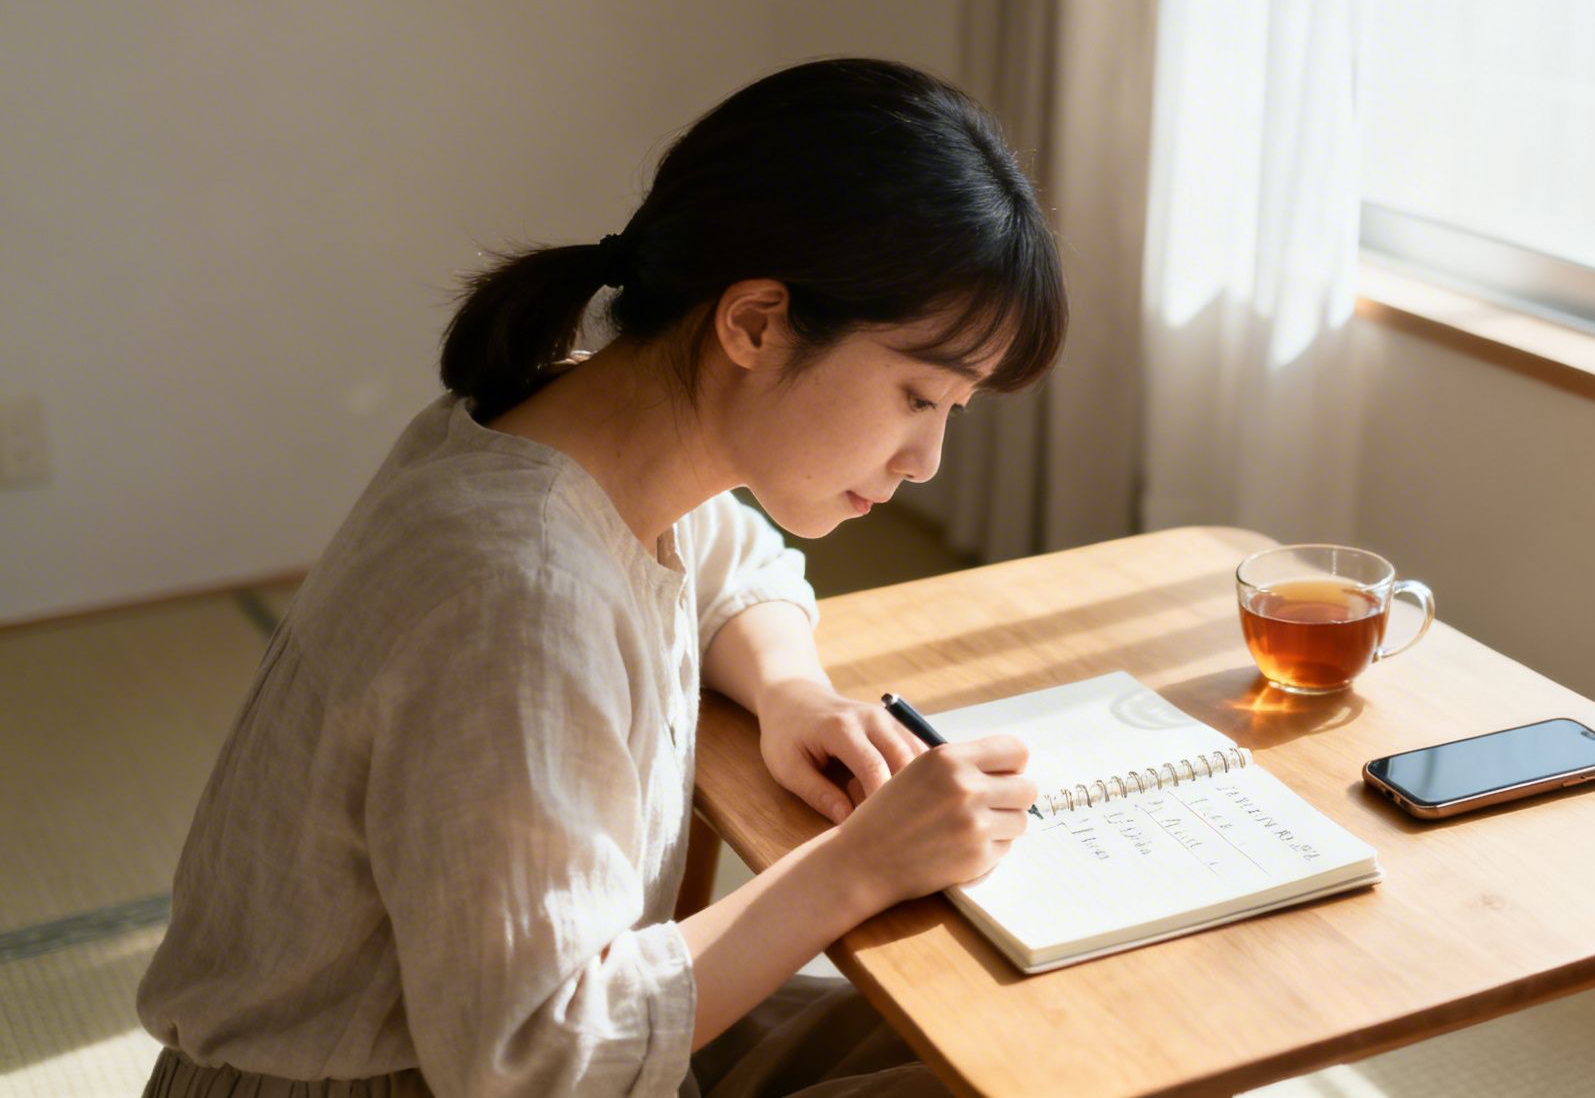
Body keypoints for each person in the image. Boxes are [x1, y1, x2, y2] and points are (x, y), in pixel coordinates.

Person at [135, 57, 1067, 1097]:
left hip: (500, 1037)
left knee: (1024, 1043)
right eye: (916, 395)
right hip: (416, 1077)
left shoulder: (578, 423)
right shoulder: (517, 594)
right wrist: (857, 866)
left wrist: (789, 693)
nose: (924, 459)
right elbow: (536, 1061)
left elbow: (727, 564)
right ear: (755, 323)